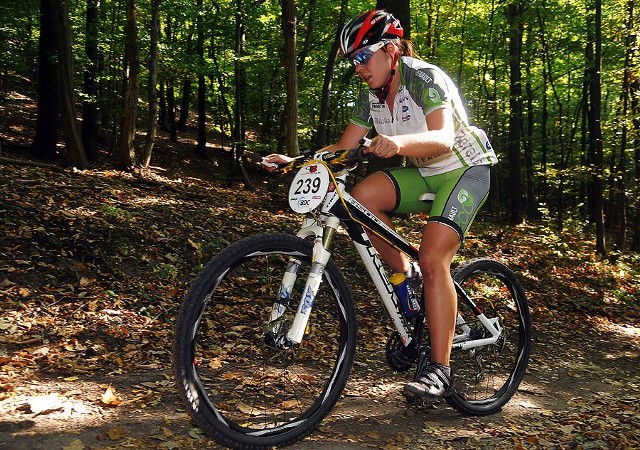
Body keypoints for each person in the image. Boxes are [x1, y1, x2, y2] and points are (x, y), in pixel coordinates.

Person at [262, 9, 498, 402]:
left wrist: (399, 144)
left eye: (362, 56)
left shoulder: (424, 76)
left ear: (390, 50)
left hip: (464, 169)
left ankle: (440, 370)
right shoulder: (369, 96)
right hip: (425, 173)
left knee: (434, 257)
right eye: (352, 60)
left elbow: (442, 137)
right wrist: (296, 160)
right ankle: (406, 278)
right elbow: (343, 148)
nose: (357, 67)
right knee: (359, 201)